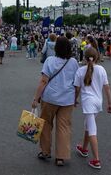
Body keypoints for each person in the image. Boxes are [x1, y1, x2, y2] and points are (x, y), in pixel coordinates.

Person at [32, 36, 79, 166]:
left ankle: (45, 151)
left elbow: (43, 81)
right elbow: (76, 83)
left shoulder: (49, 60)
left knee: (46, 124)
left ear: (56, 48)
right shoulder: (74, 62)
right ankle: (61, 157)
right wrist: (75, 98)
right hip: (67, 100)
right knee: (64, 127)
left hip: (50, 98)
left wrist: (36, 98)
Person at [74, 47, 111, 170]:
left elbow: (77, 89)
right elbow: (107, 88)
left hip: (88, 102)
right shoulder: (101, 69)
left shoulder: (80, 71)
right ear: (97, 57)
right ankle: (84, 148)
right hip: (98, 102)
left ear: (84, 58)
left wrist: (74, 99)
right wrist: (110, 104)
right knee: (88, 125)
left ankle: (96, 159)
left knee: (92, 129)